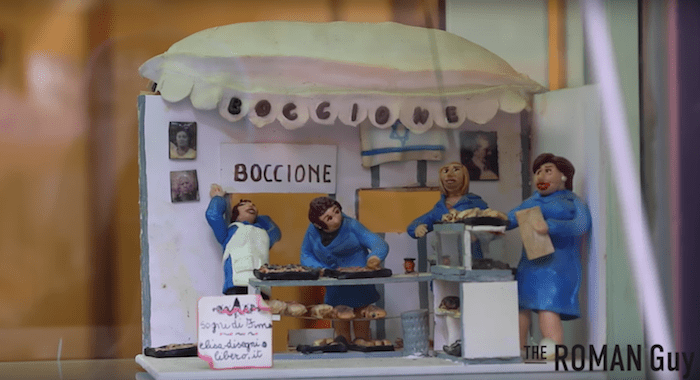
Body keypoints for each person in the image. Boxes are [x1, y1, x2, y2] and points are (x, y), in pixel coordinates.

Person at [505, 153, 591, 351]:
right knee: (521, 305)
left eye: (548, 171)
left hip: (556, 264)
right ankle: (517, 351)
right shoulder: (530, 202)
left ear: (563, 176)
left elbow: (581, 225)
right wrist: (492, 224)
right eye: (537, 172)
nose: (541, 176)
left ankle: (553, 351)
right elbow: (510, 219)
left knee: (548, 305)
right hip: (530, 264)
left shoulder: (573, 201)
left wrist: (551, 226)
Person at [300, 197, 389, 342]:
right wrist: (320, 268)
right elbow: (305, 254)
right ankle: (343, 349)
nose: (336, 219)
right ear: (319, 224)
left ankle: (362, 349)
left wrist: (374, 258)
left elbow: (378, 243)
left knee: (362, 325)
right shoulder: (312, 231)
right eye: (329, 218)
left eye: (336, 212)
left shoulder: (352, 225)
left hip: (358, 284)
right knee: (340, 329)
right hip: (335, 285)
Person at [205, 184, 281, 297]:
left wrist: (257, 217)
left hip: (262, 285)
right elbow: (213, 215)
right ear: (235, 214)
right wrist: (218, 198)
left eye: (253, 205)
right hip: (237, 284)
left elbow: (275, 232)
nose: (250, 205)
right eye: (243, 205)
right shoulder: (230, 231)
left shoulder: (264, 232)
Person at [406, 162, 489, 258]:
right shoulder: (440, 208)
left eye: (456, 170)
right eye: (445, 171)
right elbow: (418, 223)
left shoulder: (474, 201)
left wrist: (477, 236)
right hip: (448, 259)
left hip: (474, 258)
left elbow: (494, 223)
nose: (449, 174)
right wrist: (417, 227)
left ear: (464, 176)